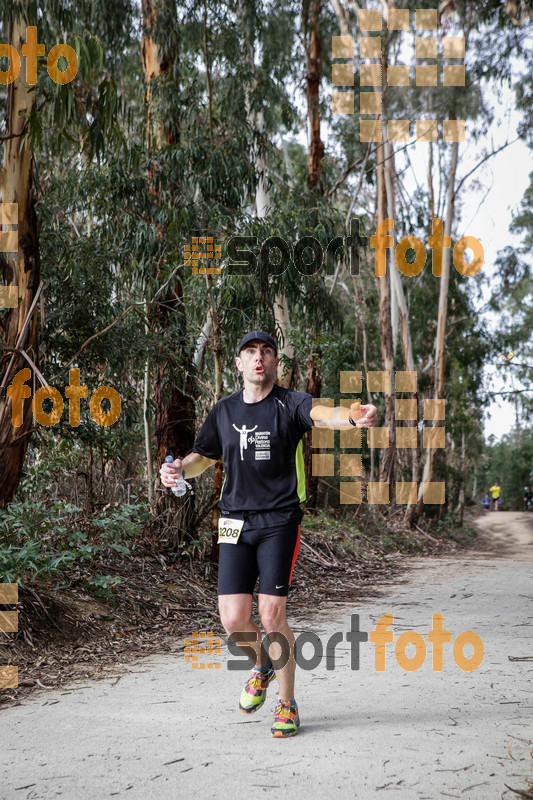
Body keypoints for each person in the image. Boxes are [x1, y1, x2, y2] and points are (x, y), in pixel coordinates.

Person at [160, 331, 377, 738]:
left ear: (275, 363)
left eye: (266, 352)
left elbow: (322, 414)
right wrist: (176, 469)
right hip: (233, 521)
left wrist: (352, 416)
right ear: (239, 364)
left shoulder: (289, 403)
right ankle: (261, 665)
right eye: (250, 353)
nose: (259, 358)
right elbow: (202, 458)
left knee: (271, 612)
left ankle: (287, 703)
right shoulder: (223, 410)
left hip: (279, 520)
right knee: (233, 619)